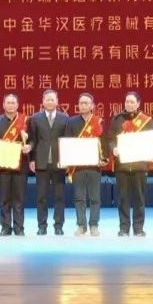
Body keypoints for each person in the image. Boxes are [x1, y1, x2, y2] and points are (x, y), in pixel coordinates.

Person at [108, 92, 153, 236]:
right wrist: (114, 148)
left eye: (132, 102)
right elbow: (110, 139)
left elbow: (151, 141)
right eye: (127, 101)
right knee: (123, 198)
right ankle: (124, 228)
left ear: (138, 103)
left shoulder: (146, 121)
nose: (129, 104)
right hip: (122, 165)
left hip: (140, 165)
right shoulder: (117, 119)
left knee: (139, 198)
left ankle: (138, 228)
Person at [26, 89, 68, 236]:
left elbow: (67, 141)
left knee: (59, 197)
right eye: (47, 99)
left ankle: (58, 226)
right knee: (41, 197)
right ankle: (42, 226)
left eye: (52, 99)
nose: (50, 102)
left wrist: (67, 159)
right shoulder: (35, 118)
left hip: (59, 163)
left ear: (57, 101)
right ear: (43, 102)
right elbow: (32, 139)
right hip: (41, 162)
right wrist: (31, 159)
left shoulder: (64, 118)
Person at [64, 93, 106, 237]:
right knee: (79, 198)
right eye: (81, 103)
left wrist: (103, 159)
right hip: (78, 166)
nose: (83, 105)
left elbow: (104, 143)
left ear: (92, 105)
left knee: (95, 198)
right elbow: (67, 142)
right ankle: (81, 225)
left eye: (86, 103)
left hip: (94, 165)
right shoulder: (71, 122)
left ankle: (94, 225)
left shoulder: (98, 121)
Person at [0, 93, 30, 236]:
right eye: (8, 103)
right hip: (3, 165)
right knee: (4, 198)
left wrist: (29, 146)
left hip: (20, 165)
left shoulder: (25, 121)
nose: (11, 105)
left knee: (19, 198)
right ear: (3, 105)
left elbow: (32, 140)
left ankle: (19, 227)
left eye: (13, 103)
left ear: (17, 105)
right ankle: (5, 227)